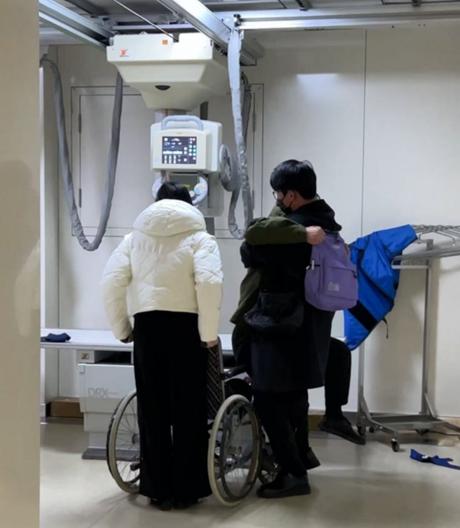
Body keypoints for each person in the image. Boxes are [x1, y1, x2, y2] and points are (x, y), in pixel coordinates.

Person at [101, 182, 223, 511]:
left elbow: (111, 282)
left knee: (152, 409)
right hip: (187, 329)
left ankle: (156, 488)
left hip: (148, 328)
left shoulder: (134, 238)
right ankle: (187, 489)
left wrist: (122, 329)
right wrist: (208, 333)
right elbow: (209, 283)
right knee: (189, 409)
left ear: (156, 203)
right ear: (189, 205)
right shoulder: (201, 238)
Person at [233, 159, 342, 499]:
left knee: (267, 398)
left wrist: (264, 240)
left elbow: (249, 247)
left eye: (278, 193)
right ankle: (301, 456)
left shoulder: (293, 229)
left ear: (291, 195)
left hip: (279, 325)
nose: (277, 199)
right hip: (311, 326)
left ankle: (294, 473)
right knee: (295, 396)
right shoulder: (327, 225)